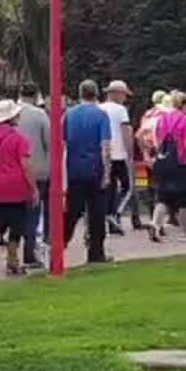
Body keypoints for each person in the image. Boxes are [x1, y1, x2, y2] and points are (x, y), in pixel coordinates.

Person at [0, 99, 36, 276]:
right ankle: (12, 261)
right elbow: (26, 165)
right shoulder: (19, 139)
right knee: (16, 226)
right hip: (17, 187)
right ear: (13, 117)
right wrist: (34, 188)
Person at [62, 80, 115, 264]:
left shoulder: (69, 115)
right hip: (95, 169)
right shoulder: (101, 115)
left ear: (79, 93)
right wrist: (107, 172)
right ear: (97, 94)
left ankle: (59, 246)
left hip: (74, 169)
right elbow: (105, 146)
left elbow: (62, 143)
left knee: (71, 212)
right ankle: (96, 252)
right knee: (97, 213)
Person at [13, 82, 53, 268]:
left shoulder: (10, 114)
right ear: (36, 95)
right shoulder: (39, 115)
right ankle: (33, 251)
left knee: (16, 213)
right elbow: (50, 142)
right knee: (35, 213)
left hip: (13, 170)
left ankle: (13, 252)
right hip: (38, 170)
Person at [150, 90, 186, 241]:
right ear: (183, 104)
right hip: (181, 162)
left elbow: (157, 141)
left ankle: (155, 224)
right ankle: (185, 231)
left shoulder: (162, 119)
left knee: (163, 196)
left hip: (163, 161)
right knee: (183, 198)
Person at [101, 80, 139, 234]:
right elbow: (126, 132)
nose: (125, 98)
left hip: (104, 154)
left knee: (108, 187)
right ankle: (116, 213)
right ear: (116, 94)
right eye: (124, 95)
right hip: (119, 154)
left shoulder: (99, 108)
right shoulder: (120, 110)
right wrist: (129, 154)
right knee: (127, 187)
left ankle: (109, 215)